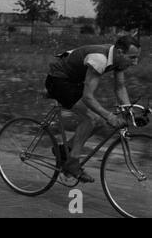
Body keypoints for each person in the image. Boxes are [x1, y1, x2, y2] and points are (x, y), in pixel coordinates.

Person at [45, 36, 141, 183]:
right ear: (120, 52)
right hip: (58, 80)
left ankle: (64, 150)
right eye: (132, 57)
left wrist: (130, 112)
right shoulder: (100, 59)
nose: (135, 62)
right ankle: (72, 163)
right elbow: (88, 97)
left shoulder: (118, 59)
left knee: (100, 121)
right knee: (92, 118)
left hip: (73, 81)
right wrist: (110, 116)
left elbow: (120, 87)